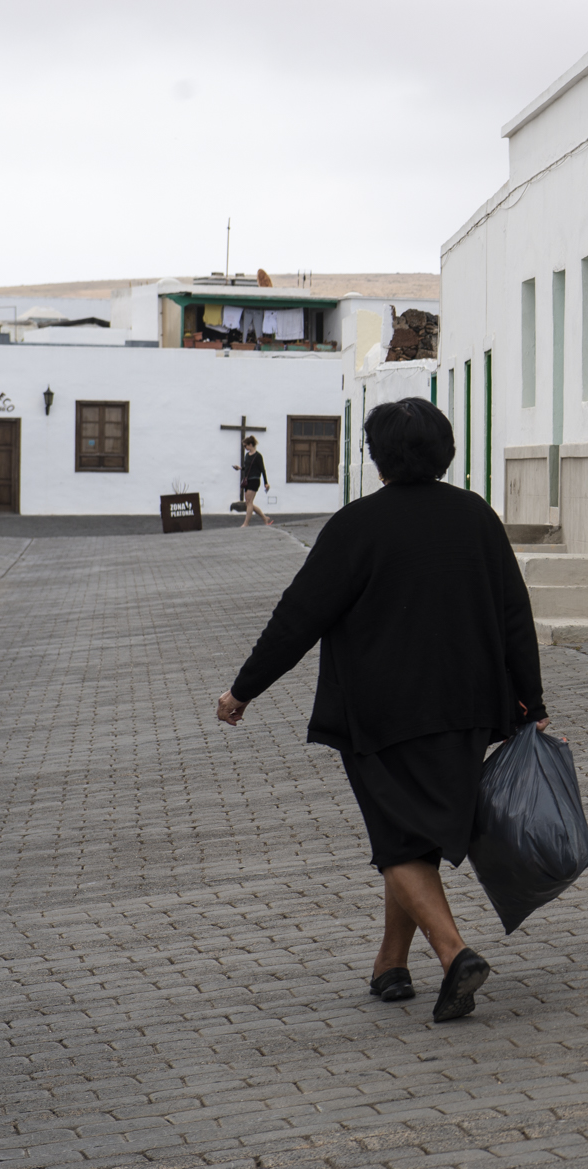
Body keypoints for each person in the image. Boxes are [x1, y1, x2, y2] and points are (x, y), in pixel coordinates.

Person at [215, 398, 546, 1022]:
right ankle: (391, 966)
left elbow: (298, 618)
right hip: (468, 706)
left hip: (382, 714)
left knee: (397, 840)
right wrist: (531, 701)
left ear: (378, 457)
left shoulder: (357, 525)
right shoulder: (476, 516)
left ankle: (454, 956)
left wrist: (243, 691)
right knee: (411, 836)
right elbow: (514, 616)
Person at [234, 435, 274, 527]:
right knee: (248, 502)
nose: (245, 448)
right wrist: (240, 468)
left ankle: (246, 523)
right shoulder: (247, 456)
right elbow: (248, 468)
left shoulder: (258, 456)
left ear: (250, 444)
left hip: (255, 480)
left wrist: (266, 482)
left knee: (249, 501)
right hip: (247, 480)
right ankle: (265, 518)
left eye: (245, 446)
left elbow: (262, 470)